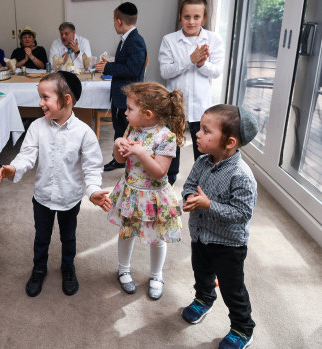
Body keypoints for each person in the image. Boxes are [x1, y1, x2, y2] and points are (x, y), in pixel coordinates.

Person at [0, 72, 111, 297]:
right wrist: (14, 168)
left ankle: (68, 267)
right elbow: (27, 155)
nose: (40, 103)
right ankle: (39, 268)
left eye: (45, 97)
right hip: (43, 197)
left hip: (70, 198)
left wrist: (94, 191)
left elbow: (92, 167)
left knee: (68, 237)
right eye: (40, 97)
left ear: (66, 99)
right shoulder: (37, 127)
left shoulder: (84, 132)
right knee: (41, 236)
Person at [181, 104, 258, 349]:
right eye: (200, 129)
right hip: (201, 236)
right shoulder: (202, 161)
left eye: (206, 131)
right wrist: (190, 197)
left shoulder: (242, 175)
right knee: (201, 273)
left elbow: (242, 214)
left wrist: (207, 205)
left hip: (228, 245)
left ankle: (242, 328)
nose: (197, 134)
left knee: (232, 288)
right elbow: (189, 185)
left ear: (229, 142)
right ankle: (204, 298)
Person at [107, 82, 185, 300]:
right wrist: (118, 144)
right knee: (126, 232)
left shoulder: (166, 137)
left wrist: (141, 152)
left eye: (130, 109)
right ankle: (123, 269)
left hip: (153, 197)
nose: (125, 112)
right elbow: (121, 159)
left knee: (157, 238)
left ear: (148, 114)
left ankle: (156, 275)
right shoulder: (132, 128)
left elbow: (160, 172)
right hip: (131, 192)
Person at [159, 0, 224, 183]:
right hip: (174, 105)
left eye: (196, 17)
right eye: (187, 16)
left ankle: (201, 181)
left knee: (202, 146)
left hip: (200, 105)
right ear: (180, 16)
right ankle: (169, 180)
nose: (191, 21)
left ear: (203, 18)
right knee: (171, 145)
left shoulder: (214, 39)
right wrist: (190, 59)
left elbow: (217, 71)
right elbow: (165, 72)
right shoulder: (169, 40)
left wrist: (202, 63)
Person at [95, 2, 148, 173]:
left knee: (129, 131)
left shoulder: (136, 41)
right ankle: (119, 159)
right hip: (120, 95)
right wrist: (110, 65)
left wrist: (108, 68)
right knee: (119, 129)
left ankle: (131, 165)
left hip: (129, 96)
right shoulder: (126, 39)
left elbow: (133, 70)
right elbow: (124, 64)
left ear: (119, 21)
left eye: (113, 20)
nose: (113, 24)